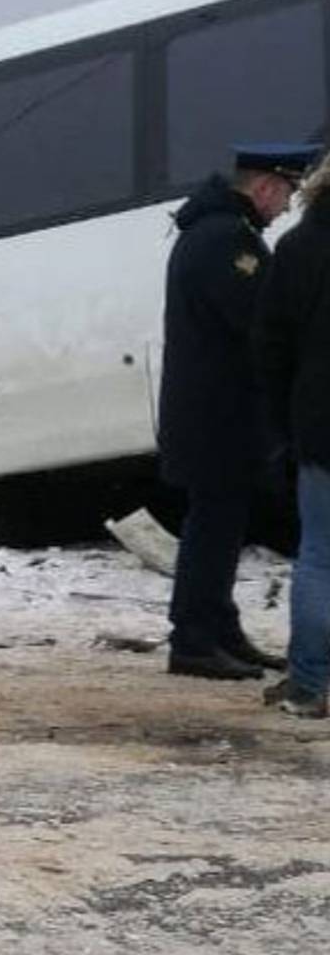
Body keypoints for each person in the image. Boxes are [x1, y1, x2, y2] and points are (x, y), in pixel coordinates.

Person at [158, 142, 320, 680]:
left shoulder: (218, 232)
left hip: (214, 413)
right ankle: (195, 641)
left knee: (221, 526)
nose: (286, 206)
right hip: (217, 416)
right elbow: (256, 320)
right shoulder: (228, 240)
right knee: (212, 527)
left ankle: (218, 630)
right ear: (266, 185)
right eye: (288, 193)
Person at [255, 151, 330, 718]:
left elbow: (272, 347)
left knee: (320, 559)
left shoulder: (298, 247)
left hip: (320, 422)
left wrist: (283, 421)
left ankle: (310, 684)